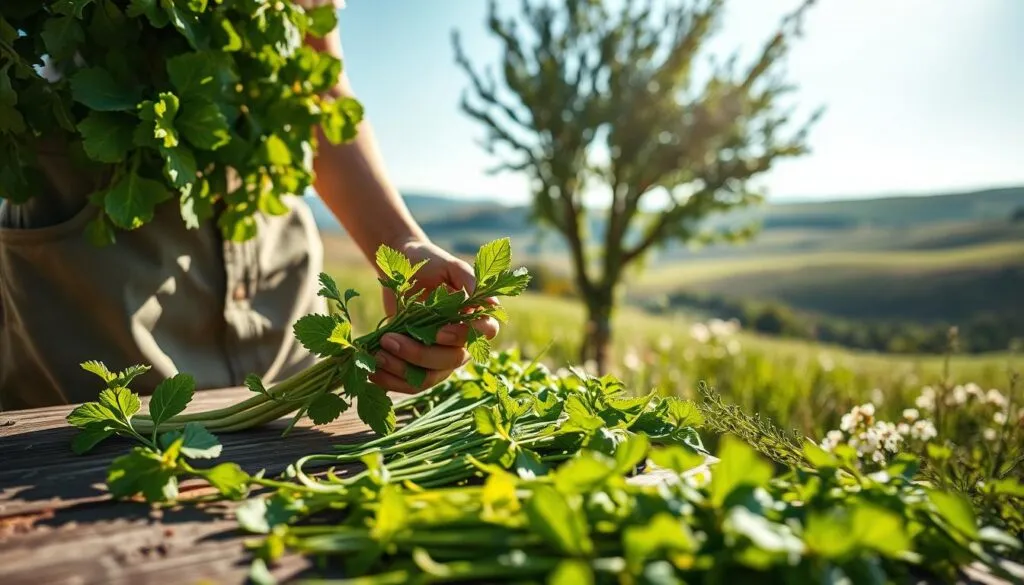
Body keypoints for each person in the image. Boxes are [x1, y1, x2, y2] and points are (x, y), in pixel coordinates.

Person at [0, 2, 498, 411]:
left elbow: (319, 83)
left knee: (297, 474)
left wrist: (399, 241)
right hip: (94, 262)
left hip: (272, 274)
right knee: (86, 468)